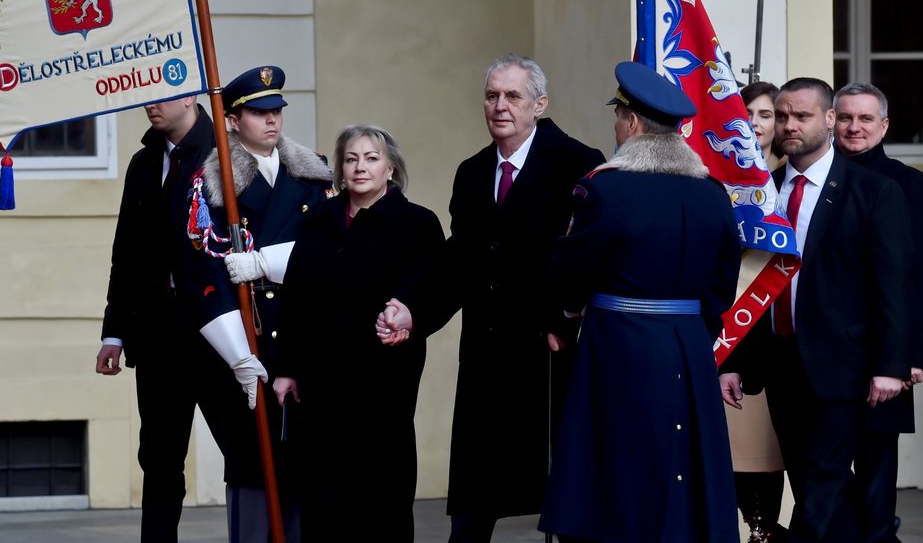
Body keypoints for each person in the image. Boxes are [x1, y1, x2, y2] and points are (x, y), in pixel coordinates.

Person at [384, 53, 605, 542]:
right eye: (491, 96)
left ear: (539, 105)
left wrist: (561, 321)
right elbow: (458, 260)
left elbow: (589, 257)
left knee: (560, 494)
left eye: (513, 96)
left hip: (548, 353)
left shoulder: (579, 164)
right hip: (485, 352)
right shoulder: (472, 171)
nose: (500, 106)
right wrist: (411, 310)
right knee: (474, 499)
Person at [538, 61, 741, 542]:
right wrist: (693, 328)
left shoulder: (605, 189)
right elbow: (721, 284)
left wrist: (568, 313)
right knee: (683, 471)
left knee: (616, 472)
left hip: (618, 343)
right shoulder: (712, 194)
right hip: (689, 343)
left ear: (630, 123)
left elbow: (571, 275)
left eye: (619, 117)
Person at [720, 77, 912, 541]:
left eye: (801, 115)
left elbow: (892, 285)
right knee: (811, 484)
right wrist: (734, 360)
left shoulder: (872, 191)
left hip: (841, 365)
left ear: (828, 119)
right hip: (779, 362)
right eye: (781, 115)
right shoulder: (762, 191)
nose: (788, 125)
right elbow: (745, 282)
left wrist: (890, 366)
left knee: (823, 483)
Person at [270, 124, 445, 542]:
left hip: (383, 382)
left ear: (390, 169)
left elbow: (435, 290)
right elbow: (295, 299)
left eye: (371, 158)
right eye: (351, 159)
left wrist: (412, 316)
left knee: (381, 496)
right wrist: (287, 368)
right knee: (323, 500)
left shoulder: (417, 224)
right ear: (340, 169)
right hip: (321, 383)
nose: (360, 167)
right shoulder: (318, 223)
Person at [186, 65, 333, 542]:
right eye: (258, 112)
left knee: (309, 468)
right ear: (232, 120)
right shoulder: (213, 183)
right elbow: (204, 267)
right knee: (254, 471)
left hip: (307, 337)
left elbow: (330, 253)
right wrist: (237, 353)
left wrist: (268, 261)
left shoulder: (313, 174)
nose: (272, 120)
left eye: (276, 111)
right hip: (249, 342)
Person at [95, 96, 234, 543]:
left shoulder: (229, 156)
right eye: (145, 97)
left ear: (191, 95)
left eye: (162, 96)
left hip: (221, 332)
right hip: (158, 335)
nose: (149, 106)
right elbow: (127, 253)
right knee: (158, 460)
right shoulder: (144, 162)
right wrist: (114, 332)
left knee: (247, 452)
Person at [833, 82, 923, 542]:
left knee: (877, 469)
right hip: (823, 352)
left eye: (864, 119)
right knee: (823, 470)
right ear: (830, 122)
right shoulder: (807, 177)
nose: (854, 127)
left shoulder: (910, 184)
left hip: (884, 352)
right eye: (845, 118)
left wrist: (911, 356)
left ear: (884, 126)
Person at [724, 80, 788, 542]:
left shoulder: (790, 180)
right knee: (733, 452)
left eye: (766, 115)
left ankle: (764, 531)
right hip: (729, 333)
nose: (755, 122)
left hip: (780, 333)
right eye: (747, 112)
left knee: (771, 453)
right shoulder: (716, 179)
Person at [743, 81, 785, 171]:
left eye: (764, 116)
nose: (753, 122)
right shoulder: (714, 169)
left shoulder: (785, 174)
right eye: (746, 114)